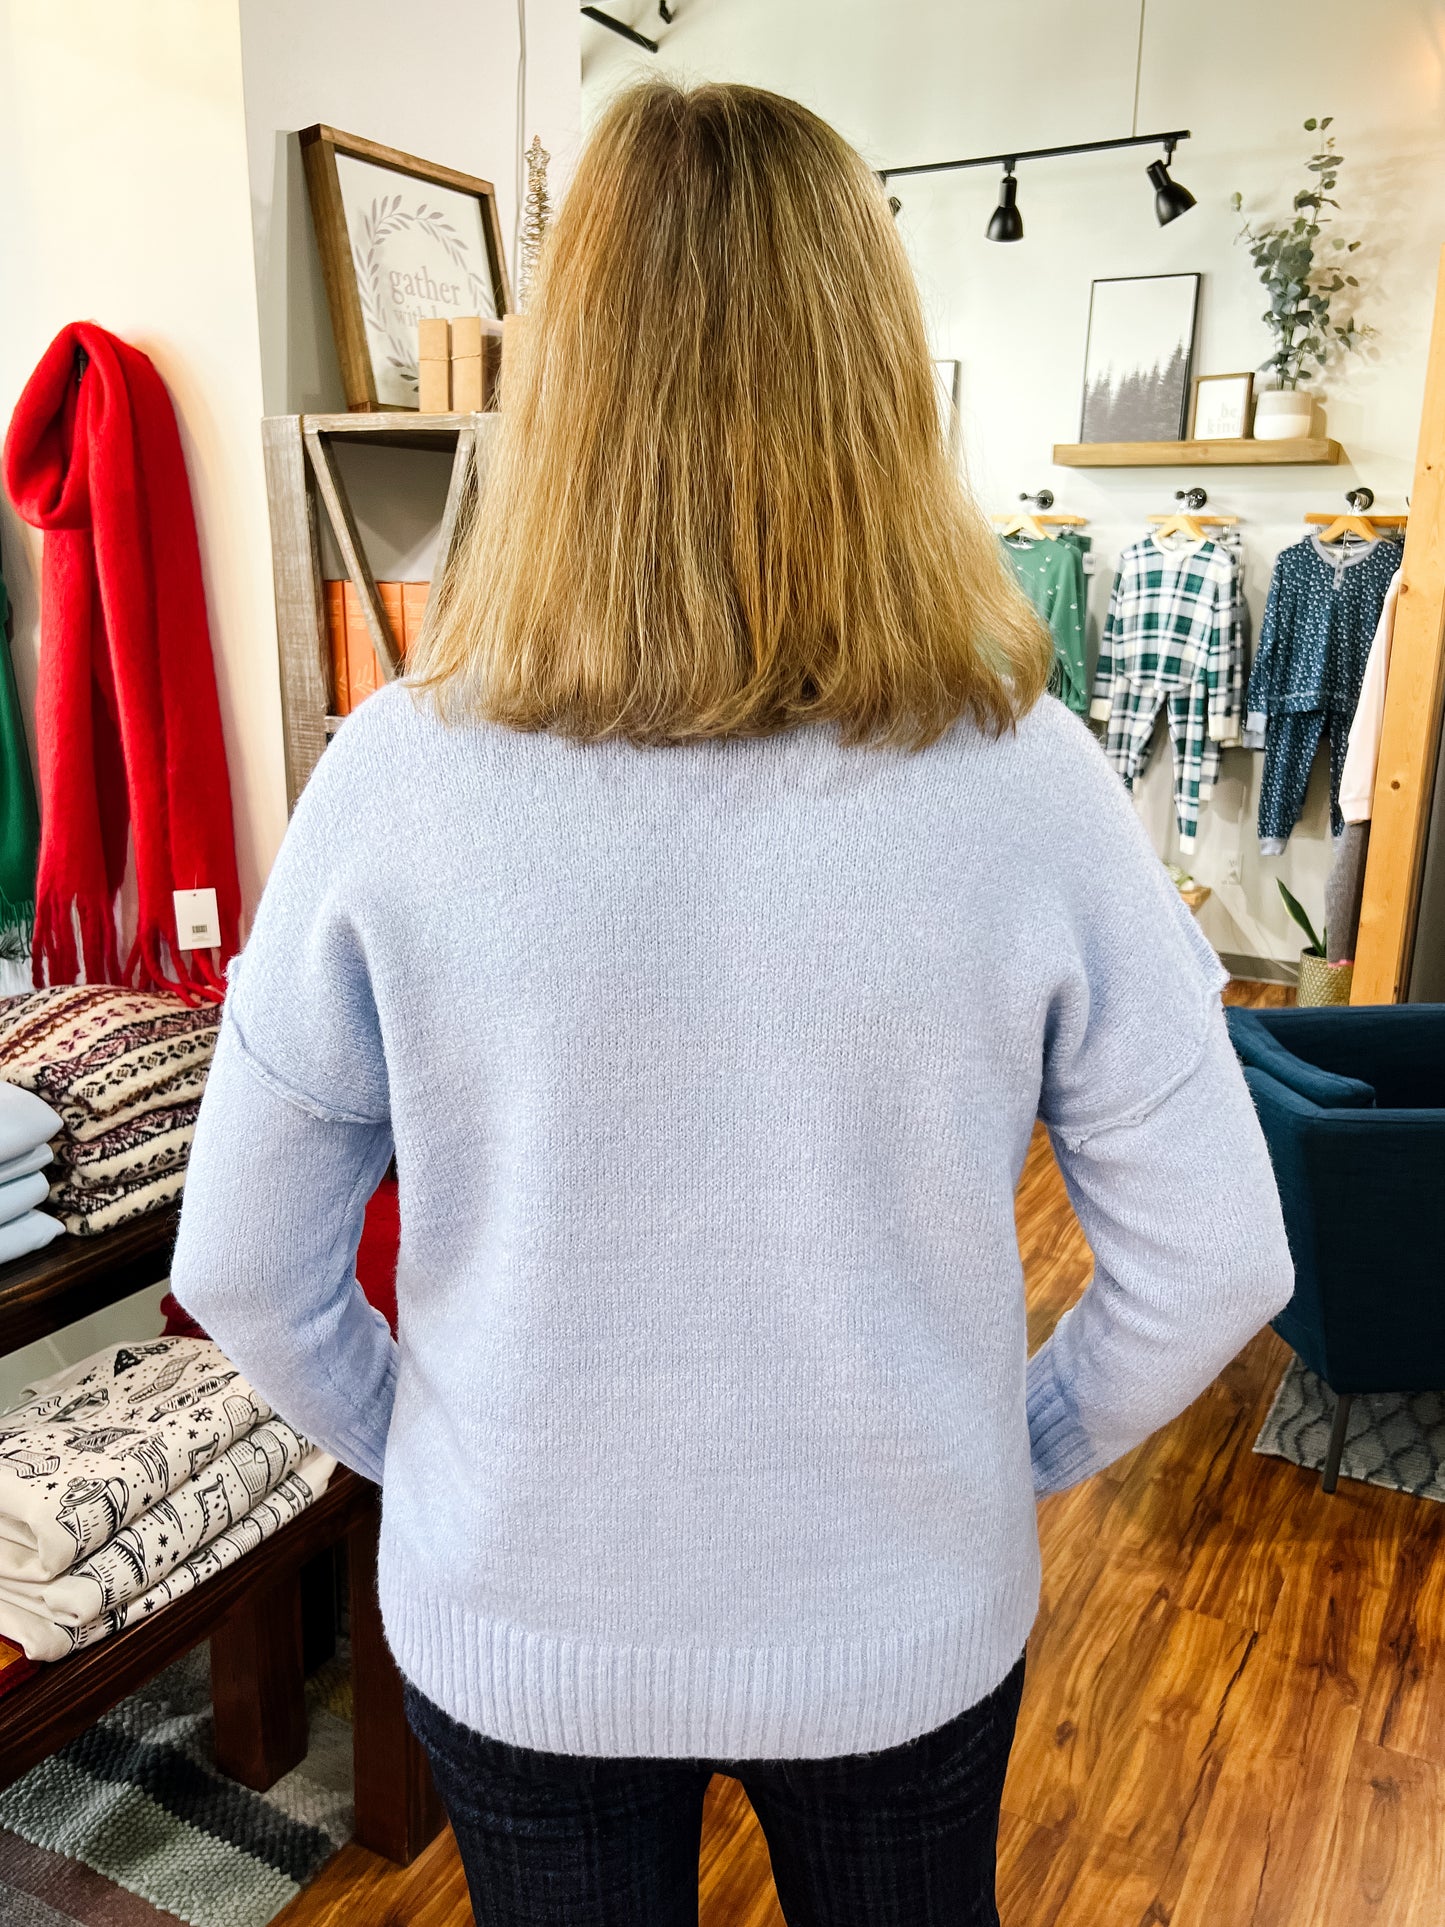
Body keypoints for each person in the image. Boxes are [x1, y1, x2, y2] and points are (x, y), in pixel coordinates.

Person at [171, 78, 1293, 1927]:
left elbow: (240, 1267)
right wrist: (998, 1453)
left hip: (518, 1625)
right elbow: (1217, 1262)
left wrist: (448, 1455)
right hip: (900, 1623)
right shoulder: (1030, 783)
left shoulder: (395, 777)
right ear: (876, 375)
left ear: (566, 377)